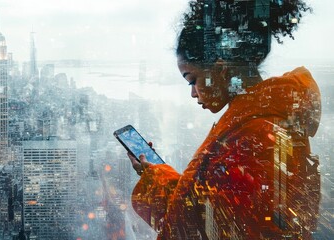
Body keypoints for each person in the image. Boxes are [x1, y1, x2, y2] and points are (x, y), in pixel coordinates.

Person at [128, 0, 321, 239]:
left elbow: (201, 228)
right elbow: (204, 211)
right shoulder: (259, 123)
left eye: (192, 80)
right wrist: (153, 175)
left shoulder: (253, 138)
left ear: (220, 70)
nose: (192, 93)